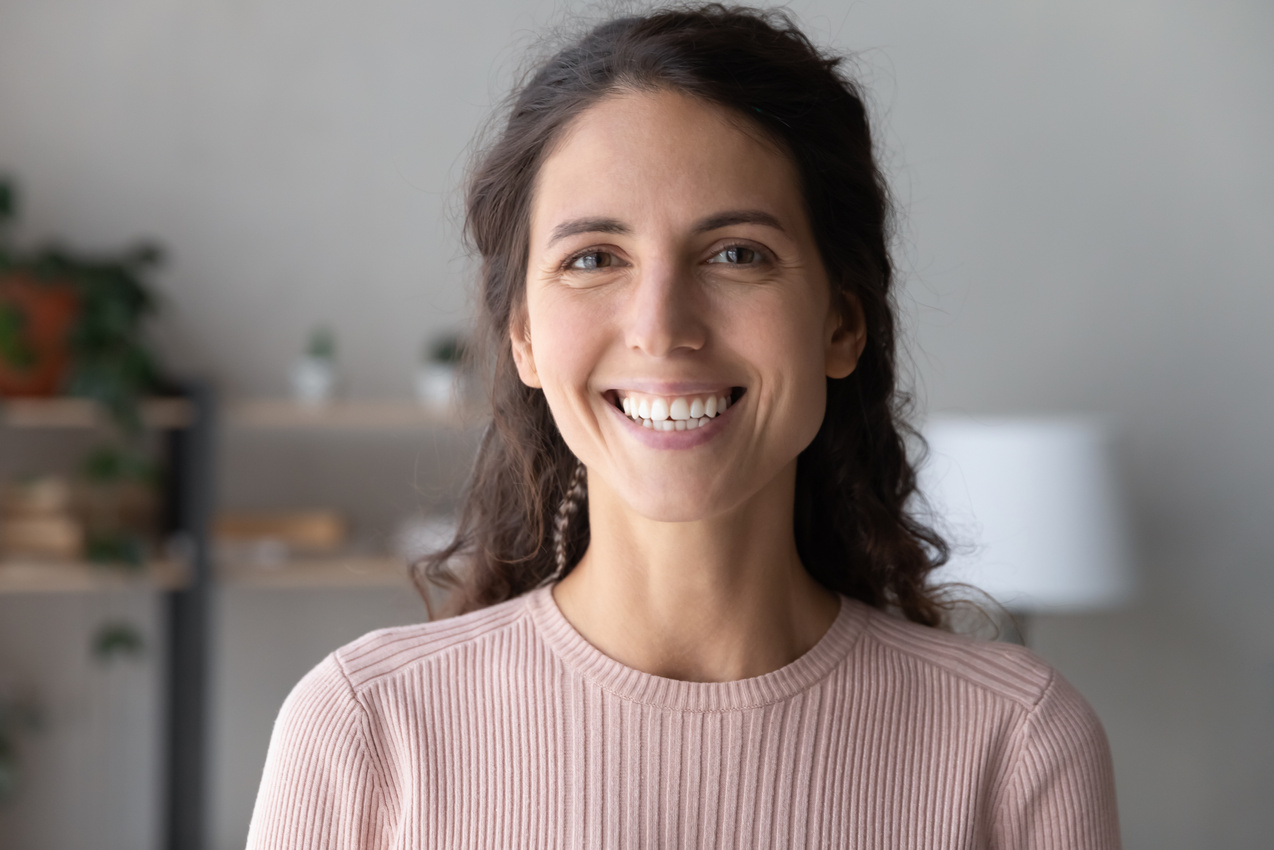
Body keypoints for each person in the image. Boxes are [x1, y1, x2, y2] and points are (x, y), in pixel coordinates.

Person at [247, 5, 1120, 848]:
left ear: (842, 324)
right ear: (522, 338)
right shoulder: (367, 732)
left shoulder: (1014, 744)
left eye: (737, 254)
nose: (662, 327)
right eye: (593, 259)